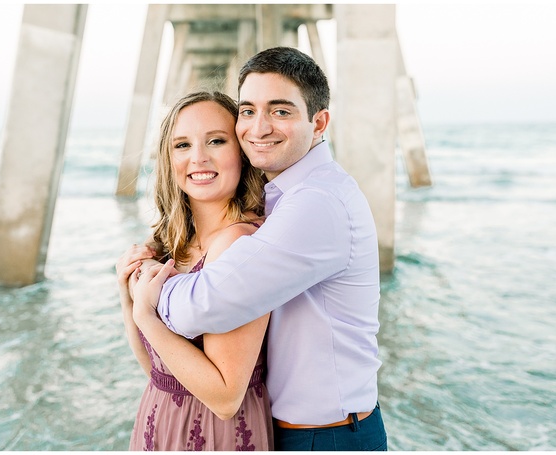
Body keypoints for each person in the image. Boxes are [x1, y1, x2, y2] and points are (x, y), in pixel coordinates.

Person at [133, 47, 388, 451]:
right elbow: (162, 371)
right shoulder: (279, 198)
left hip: (326, 436)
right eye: (248, 111)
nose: (258, 127)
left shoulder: (315, 203)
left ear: (319, 122)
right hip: (296, 429)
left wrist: (147, 291)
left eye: (281, 111)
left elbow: (204, 305)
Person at [115, 91, 273, 450]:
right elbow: (158, 372)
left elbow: (225, 397)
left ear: (242, 153)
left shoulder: (238, 245)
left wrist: (146, 315)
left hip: (217, 434)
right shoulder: (175, 245)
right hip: (160, 420)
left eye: (216, 141)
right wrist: (128, 300)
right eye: (182, 145)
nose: (198, 157)